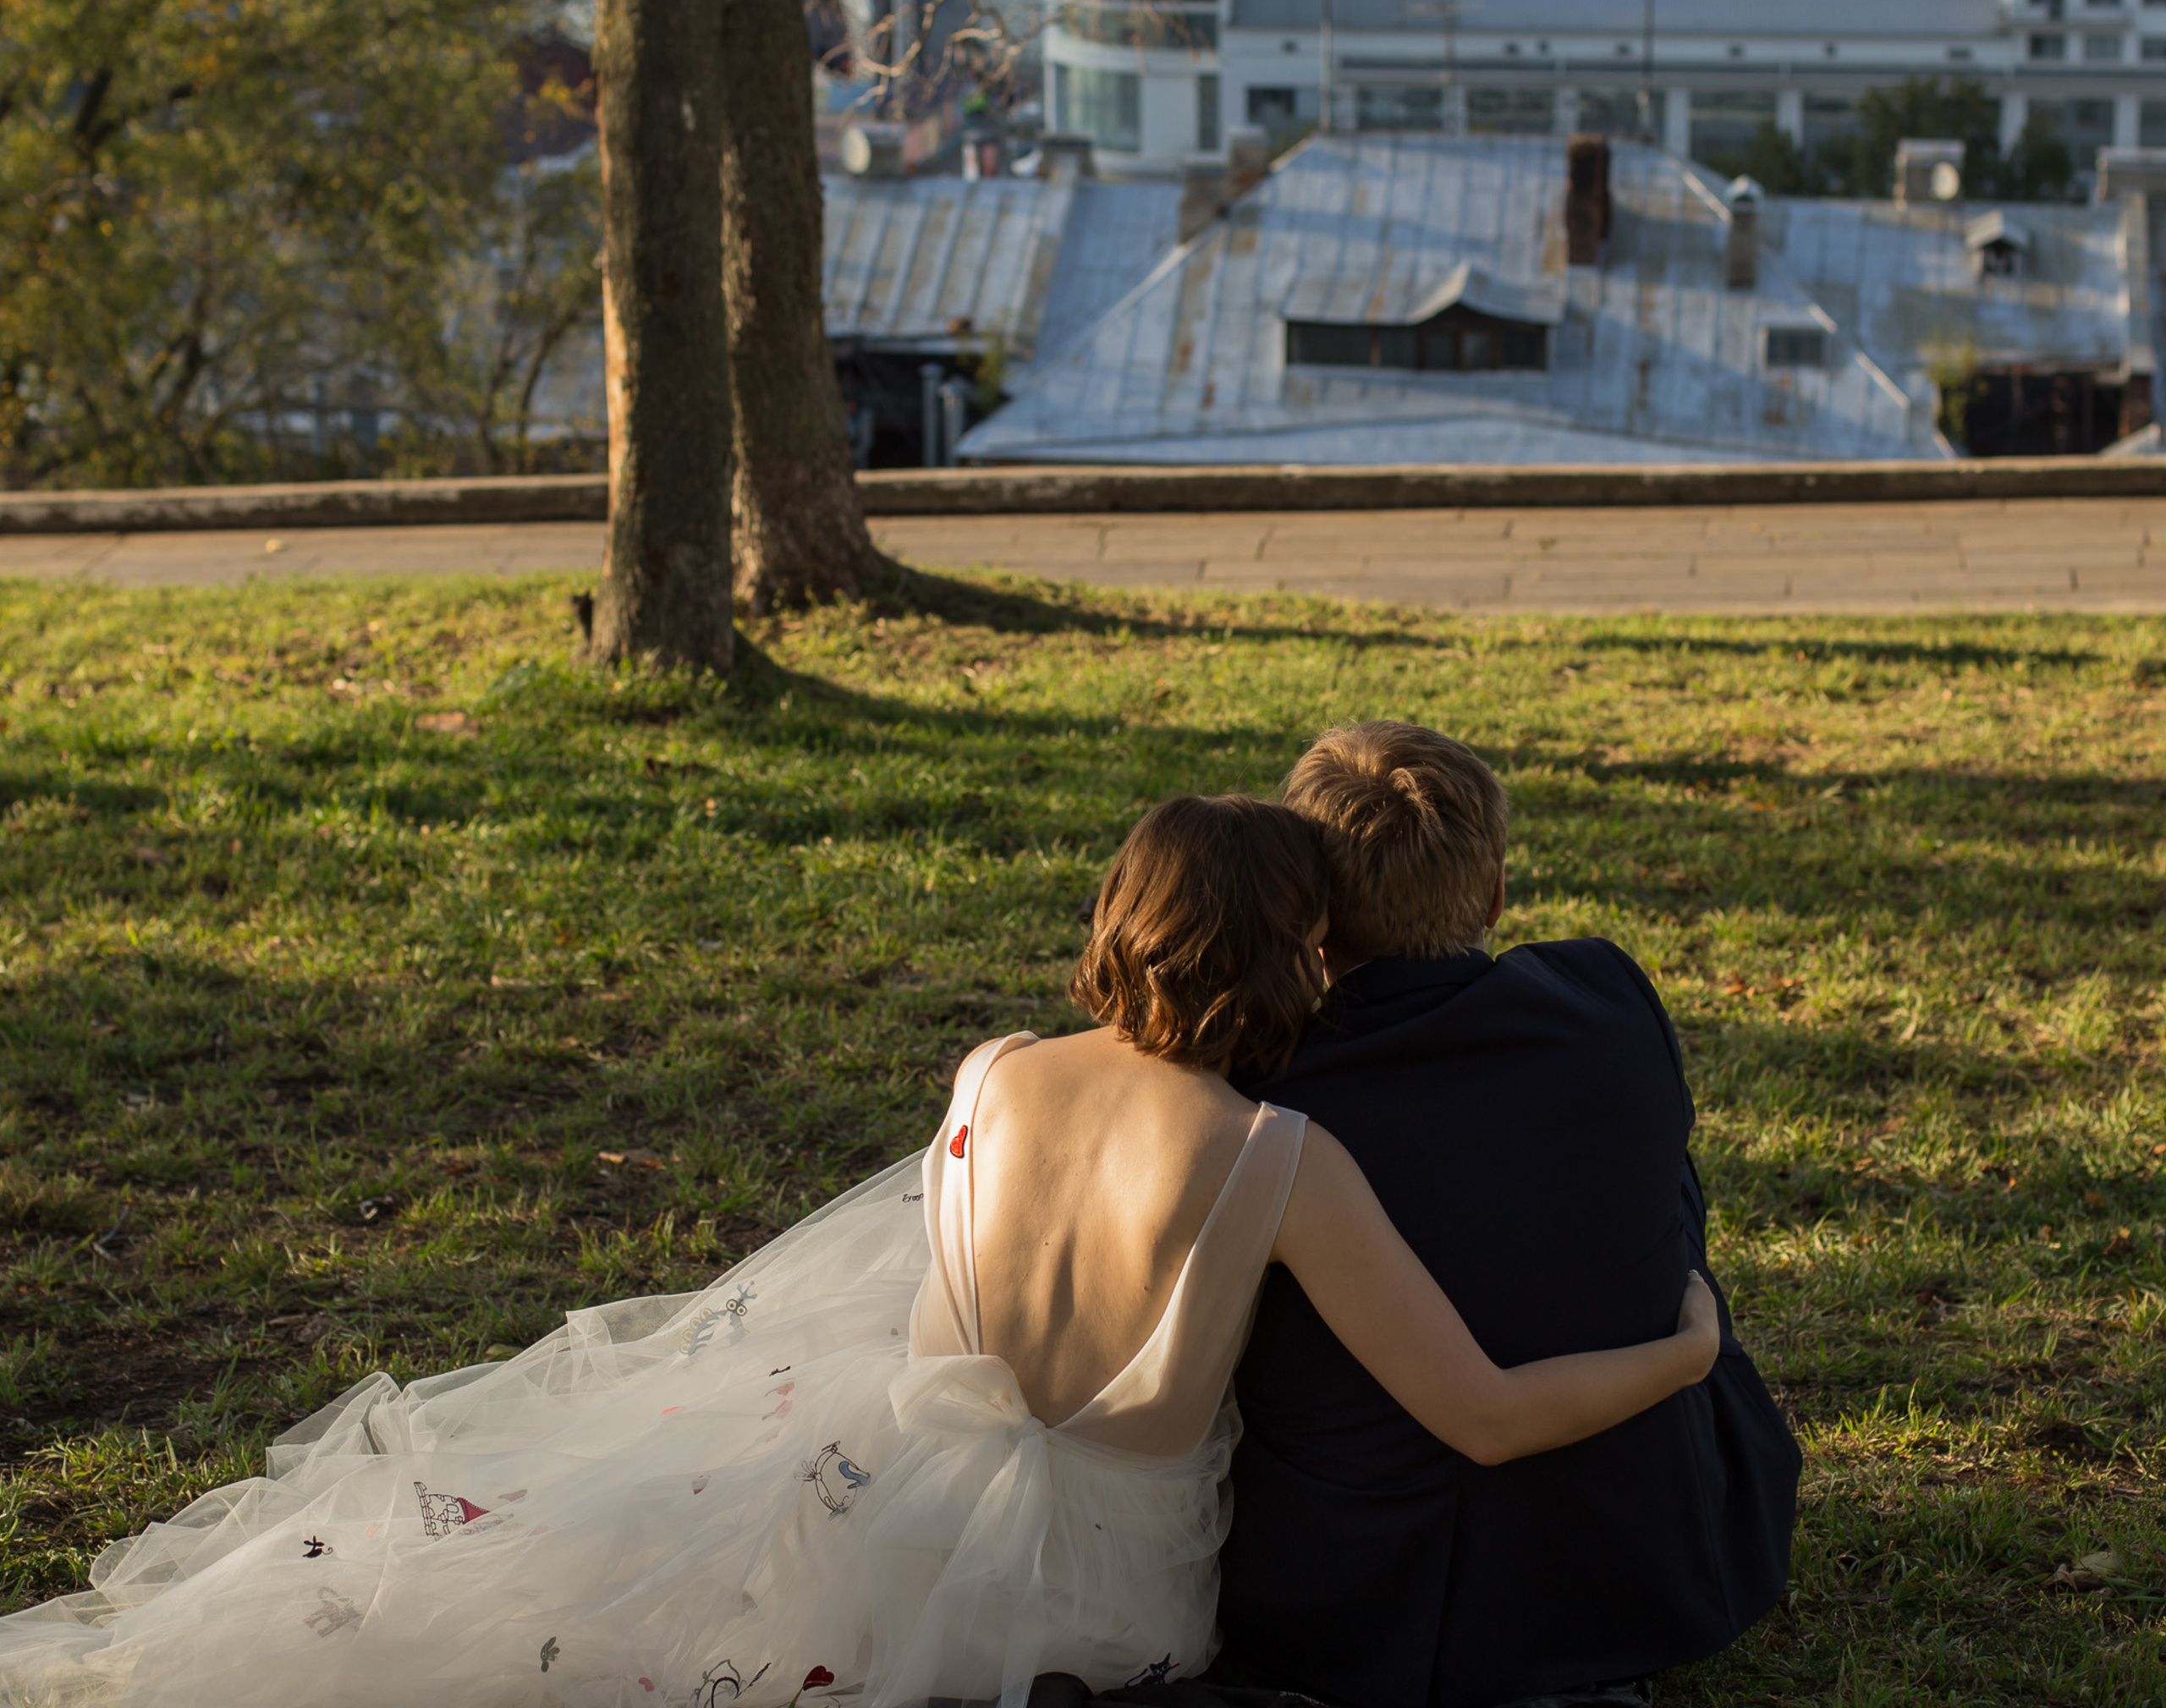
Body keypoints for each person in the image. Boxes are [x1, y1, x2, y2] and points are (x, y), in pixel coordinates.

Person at [0, 795, 1720, 1708]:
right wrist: (1681, 1348)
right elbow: (1479, 1411)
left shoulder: (989, 1072)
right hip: (1102, 1595)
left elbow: (932, 1308)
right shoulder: (1277, 1155)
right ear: (1298, 957)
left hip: (886, 1485)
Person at [1213, 724, 1801, 1708]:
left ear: (1311, 916)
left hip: (1351, 1602)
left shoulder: (1264, 1093)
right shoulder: (1607, 999)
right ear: (1493, 895)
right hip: (1640, 1569)